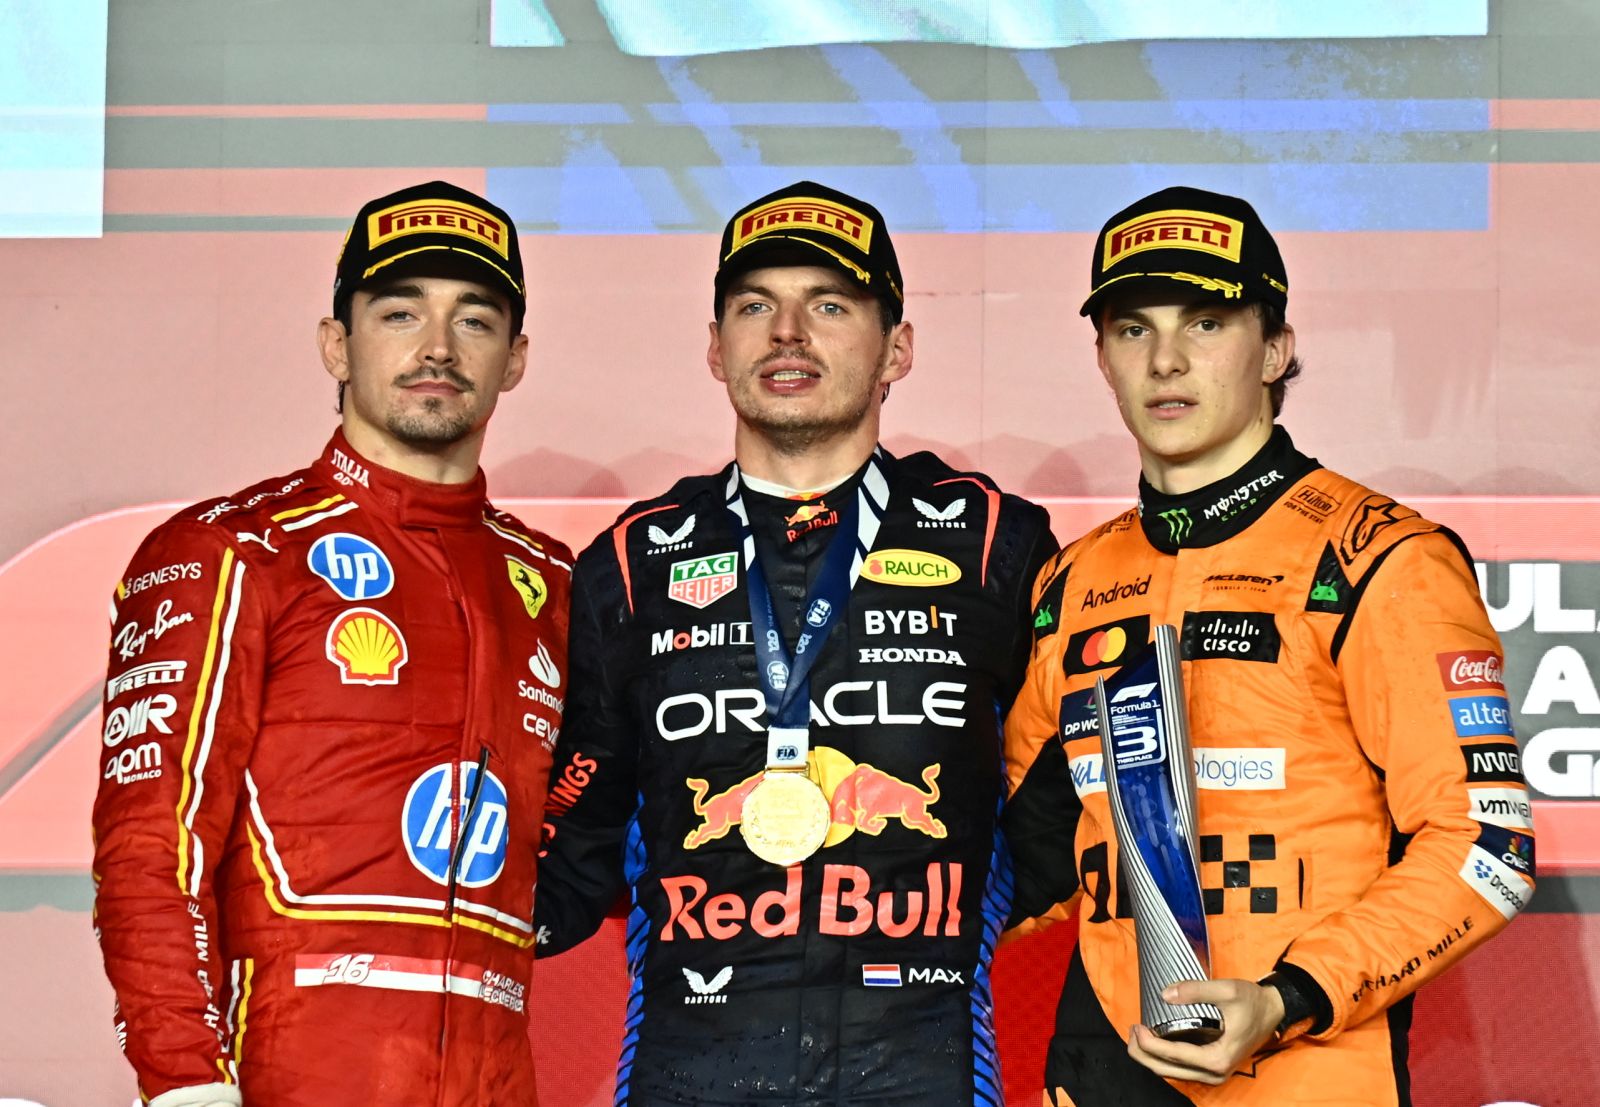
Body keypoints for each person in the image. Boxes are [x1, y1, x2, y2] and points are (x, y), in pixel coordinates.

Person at [1003, 186, 1536, 1106]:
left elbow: (1485, 843)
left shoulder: (1380, 559)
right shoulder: (1072, 582)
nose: (1166, 359)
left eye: (1206, 322)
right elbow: (1024, 853)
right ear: (1102, 356)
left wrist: (1288, 997)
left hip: (1310, 1067)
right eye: (1132, 329)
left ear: (1276, 348)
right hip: (1100, 1072)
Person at [533, 181, 1057, 1106]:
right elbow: (578, 836)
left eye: (828, 304)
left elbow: (1059, 808)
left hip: (922, 1069)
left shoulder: (991, 544)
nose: (787, 333)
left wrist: (936, 921)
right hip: (690, 1070)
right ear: (715, 347)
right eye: (754, 306)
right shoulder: (629, 562)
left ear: (897, 347)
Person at [92, 181, 571, 1107]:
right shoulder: (233, 549)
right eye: (399, 312)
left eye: (474, 320)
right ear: (334, 343)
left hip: (497, 1078)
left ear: (514, 359)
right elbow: (153, 842)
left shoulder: (549, 579)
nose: (437, 347)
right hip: (290, 1074)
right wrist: (186, 1080)